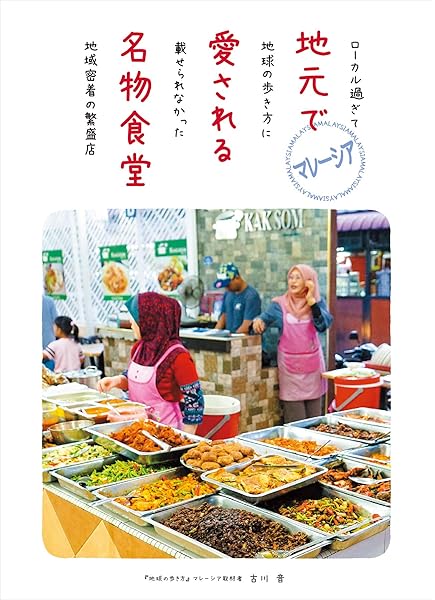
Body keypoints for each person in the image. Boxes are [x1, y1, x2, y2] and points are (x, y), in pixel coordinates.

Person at [97, 292, 204, 434]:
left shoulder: (179, 357)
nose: (131, 324)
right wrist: (117, 381)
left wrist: (186, 439)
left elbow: (195, 402)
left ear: (150, 321)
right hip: (137, 431)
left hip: (167, 433)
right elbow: (134, 379)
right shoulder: (139, 348)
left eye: (135, 321)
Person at [252, 264, 333, 424]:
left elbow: (323, 326)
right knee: (296, 421)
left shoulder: (317, 303)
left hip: (313, 370)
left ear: (309, 281)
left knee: (315, 420)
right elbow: (264, 318)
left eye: (298, 278)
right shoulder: (279, 304)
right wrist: (258, 321)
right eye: (291, 277)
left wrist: (311, 302)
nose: (293, 281)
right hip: (290, 370)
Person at [213, 262, 261, 334]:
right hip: (230, 336)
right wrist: (214, 333)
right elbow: (223, 316)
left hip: (244, 339)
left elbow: (246, 326)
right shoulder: (228, 293)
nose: (226, 288)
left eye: (228, 285)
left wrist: (232, 338)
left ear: (237, 278)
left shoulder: (251, 296)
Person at [42, 295, 58, 370]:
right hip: (49, 344)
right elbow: (56, 321)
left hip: (48, 346)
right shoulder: (49, 301)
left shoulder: (49, 301)